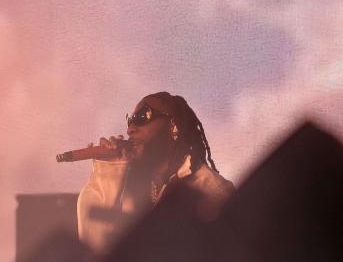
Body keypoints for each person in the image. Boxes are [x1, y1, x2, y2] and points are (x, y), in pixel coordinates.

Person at [77, 92, 234, 252]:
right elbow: (91, 252)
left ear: (173, 126)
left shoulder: (212, 191)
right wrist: (108, 174)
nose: (130, 129)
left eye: (142, 116)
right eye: (130, 121)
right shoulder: (127, 184)